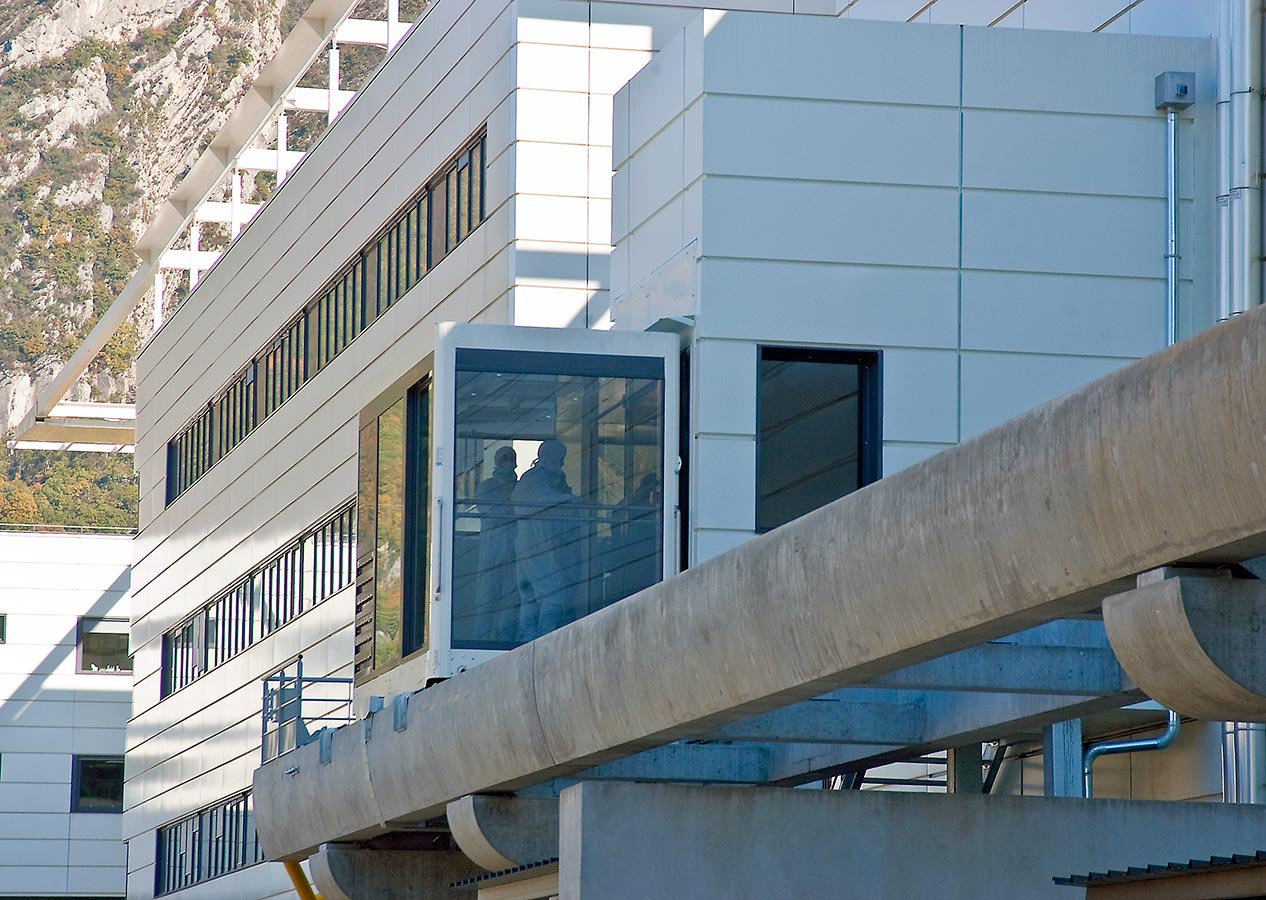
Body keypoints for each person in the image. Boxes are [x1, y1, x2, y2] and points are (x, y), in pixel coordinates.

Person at [513, 439, 581, 640]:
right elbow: (546, 499)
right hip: (535, 543)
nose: (561, 463)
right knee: (552, 592)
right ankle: (543, 637)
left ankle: (530, 637)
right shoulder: (533, 479)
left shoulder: (553, 478)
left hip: (541, 542)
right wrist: (574, 500)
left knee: (533, 595)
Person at [471, 445, 519, 644]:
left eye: (511, 457)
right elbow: (493, 512)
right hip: (492, 548)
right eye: (504, 457)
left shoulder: (520, 486)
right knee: (487, 598)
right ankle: (479, 640)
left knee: (512, 598)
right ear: (497, 461)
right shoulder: (487, 486)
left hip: (516, 549)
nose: (508, 461)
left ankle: (506, 640)